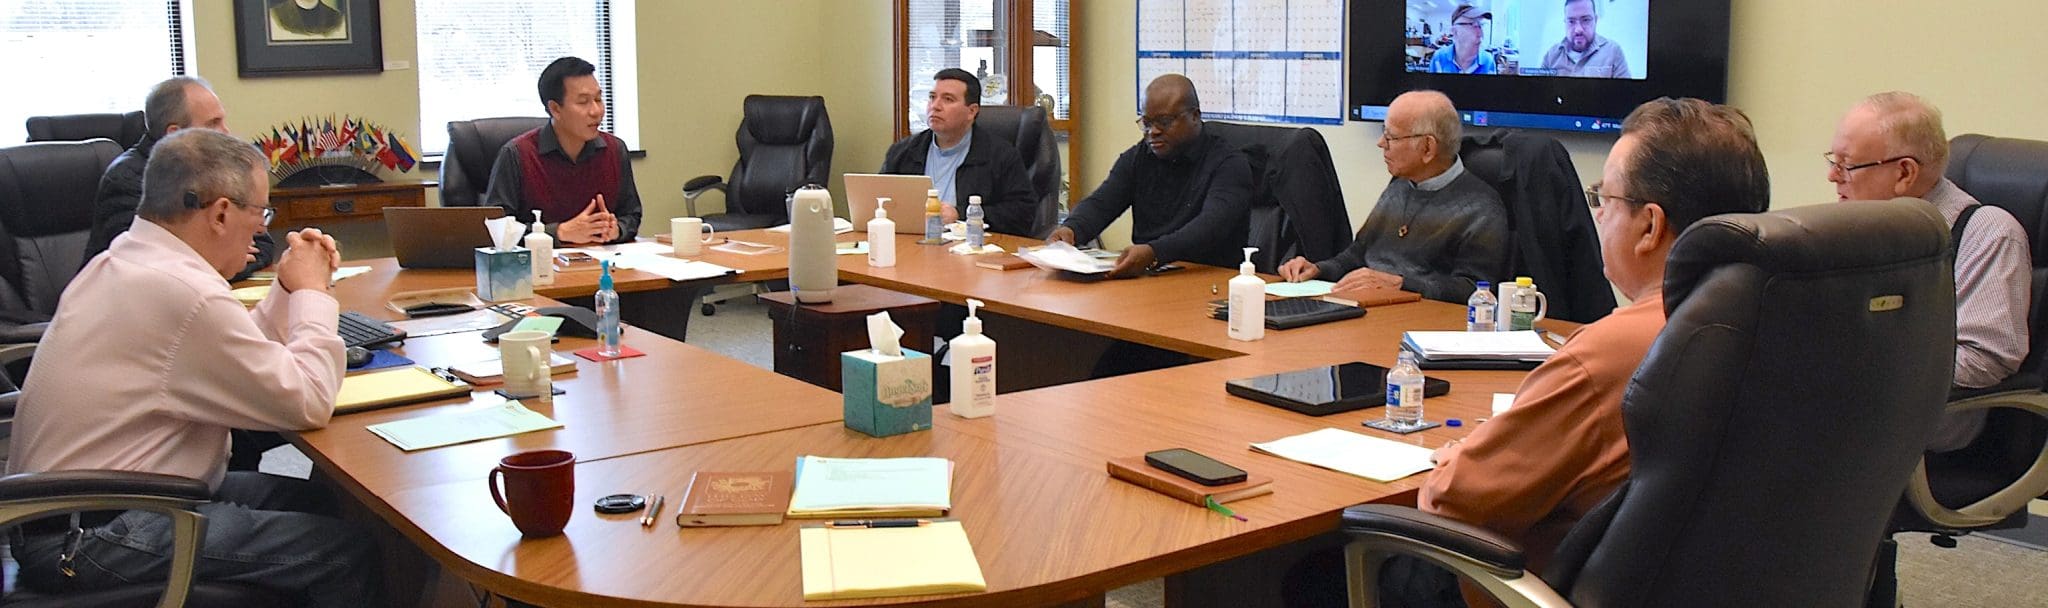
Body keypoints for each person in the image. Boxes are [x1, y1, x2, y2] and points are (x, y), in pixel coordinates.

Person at [1374, 98, 1771, 607]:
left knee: (1320, 572)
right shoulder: (1781, 323)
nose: (1598, 214)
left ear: (1649, 227)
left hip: (1531, 589)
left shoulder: (1613, 350)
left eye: (1604, 198)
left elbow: (1454, 499)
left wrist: (1457, 458)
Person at [5, 128, 376, 607]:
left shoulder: (130, 259)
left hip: (78, 506)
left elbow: (228, 357)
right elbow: (308, 401)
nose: (262, 230)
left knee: (334, 503)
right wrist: (312, 294)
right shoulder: (183, 291)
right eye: (260, 213)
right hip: (90, 534)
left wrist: (286, 290)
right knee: (342, 552)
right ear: (220, 213)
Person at [1829, 91, 2030, 452]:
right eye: (1833, 161)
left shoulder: (1988, 233)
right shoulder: (1849, 229)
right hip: (1849, 415)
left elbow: (1986, 358)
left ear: (1904, 172)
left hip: (1924, 427)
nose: (1832, 176)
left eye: (1847, 165)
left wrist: (1869, 371)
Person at [1278, 91, 1507, 303]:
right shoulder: (1399, 187)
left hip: (1420, 319)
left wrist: (1401, 285)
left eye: (1391, 137)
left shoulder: (1482, 208)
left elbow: (1473, 290)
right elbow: (1357, 254)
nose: (1381, 144)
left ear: (1427, 147)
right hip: (1370, 307)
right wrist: (1318, 269)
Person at [1049, 74, 1251, 277]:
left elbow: (1210, 227)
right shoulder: (1139, 157)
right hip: (1150, 275)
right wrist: (1072, 229)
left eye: (1164, 121)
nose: (1153, 131)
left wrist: (1154, 252)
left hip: (1209, 278)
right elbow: (1102, 203)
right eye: (1146, 123)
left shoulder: (1229, 164)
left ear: (1195, 116)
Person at [87, 76, 277, 282]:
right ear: (175, 134)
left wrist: (226, 260)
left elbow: (262, 242)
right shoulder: (127, 180)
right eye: (213, 123)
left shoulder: (211, 170)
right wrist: (223, 261)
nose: (226, 132)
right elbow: (149, 267)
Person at [485, 56, 642, 245]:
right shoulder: (517, 154)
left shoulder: (615, 150)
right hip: (540, 261)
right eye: (583, 102)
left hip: (604, 258)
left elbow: (631, 214)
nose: (596, 111)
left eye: (598, 99)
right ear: (555, 109)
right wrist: (558, 232)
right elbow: (499, 229)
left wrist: (616, 229)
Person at [880, 68, 1037, 235]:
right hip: (911, 241)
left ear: (971, 111)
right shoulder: (903, 151)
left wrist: (960, 214)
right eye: (932, 97)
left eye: (948, 99)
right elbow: (879, 202)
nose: (935, 106)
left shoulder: (1000, 155)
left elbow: (1023, 213)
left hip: (972, 244)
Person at [1540, 0, 1632, 78]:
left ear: (1595, 20)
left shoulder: (1613, 52)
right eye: (1571, 21)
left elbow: (1626, 91)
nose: (1578, 29)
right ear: (1565, 22)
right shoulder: (1551, 56)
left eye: (1586, 20)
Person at [1429, 5, 1498, 75]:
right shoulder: (1439, 58)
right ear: (1454, 31)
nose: (1481, 34)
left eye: (1481, 25)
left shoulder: (1488, 61)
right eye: (1473, 25)